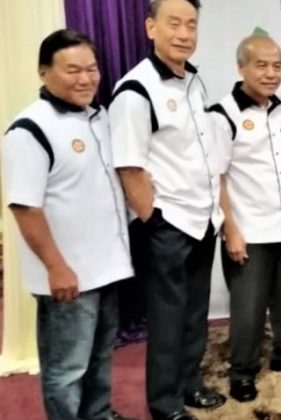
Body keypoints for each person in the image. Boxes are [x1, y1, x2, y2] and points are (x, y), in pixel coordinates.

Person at [1, 29, 134, 420]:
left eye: (91, 69)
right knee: (66, 369)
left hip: (107, 266)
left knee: (100, 355)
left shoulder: (99, 116)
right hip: (68, 276)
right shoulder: (29, 129)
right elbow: (25, 208)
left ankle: (98, 414)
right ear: (43, 72)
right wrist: (56, 267)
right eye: (73, 70)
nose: (86, 79)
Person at [109, 0, 226, 418]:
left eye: (191, 24)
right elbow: (128, 165)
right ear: (150, 27)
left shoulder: (193, 80)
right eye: (173, 23)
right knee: (167, 319)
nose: (184, 33)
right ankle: (164, 404)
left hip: (202, 218)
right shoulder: (135, 90)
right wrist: (154, 220)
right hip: (168, 224)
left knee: (194, 313)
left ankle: (189, 384)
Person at [208, 34, 281, 403]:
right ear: (241, 67)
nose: (271, 73)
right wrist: (231, 230)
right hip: (248, 230)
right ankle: (242, 372)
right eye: (262, 65)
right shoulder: (222, 115)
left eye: (277, 66)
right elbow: (217, 177)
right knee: (248, 308)